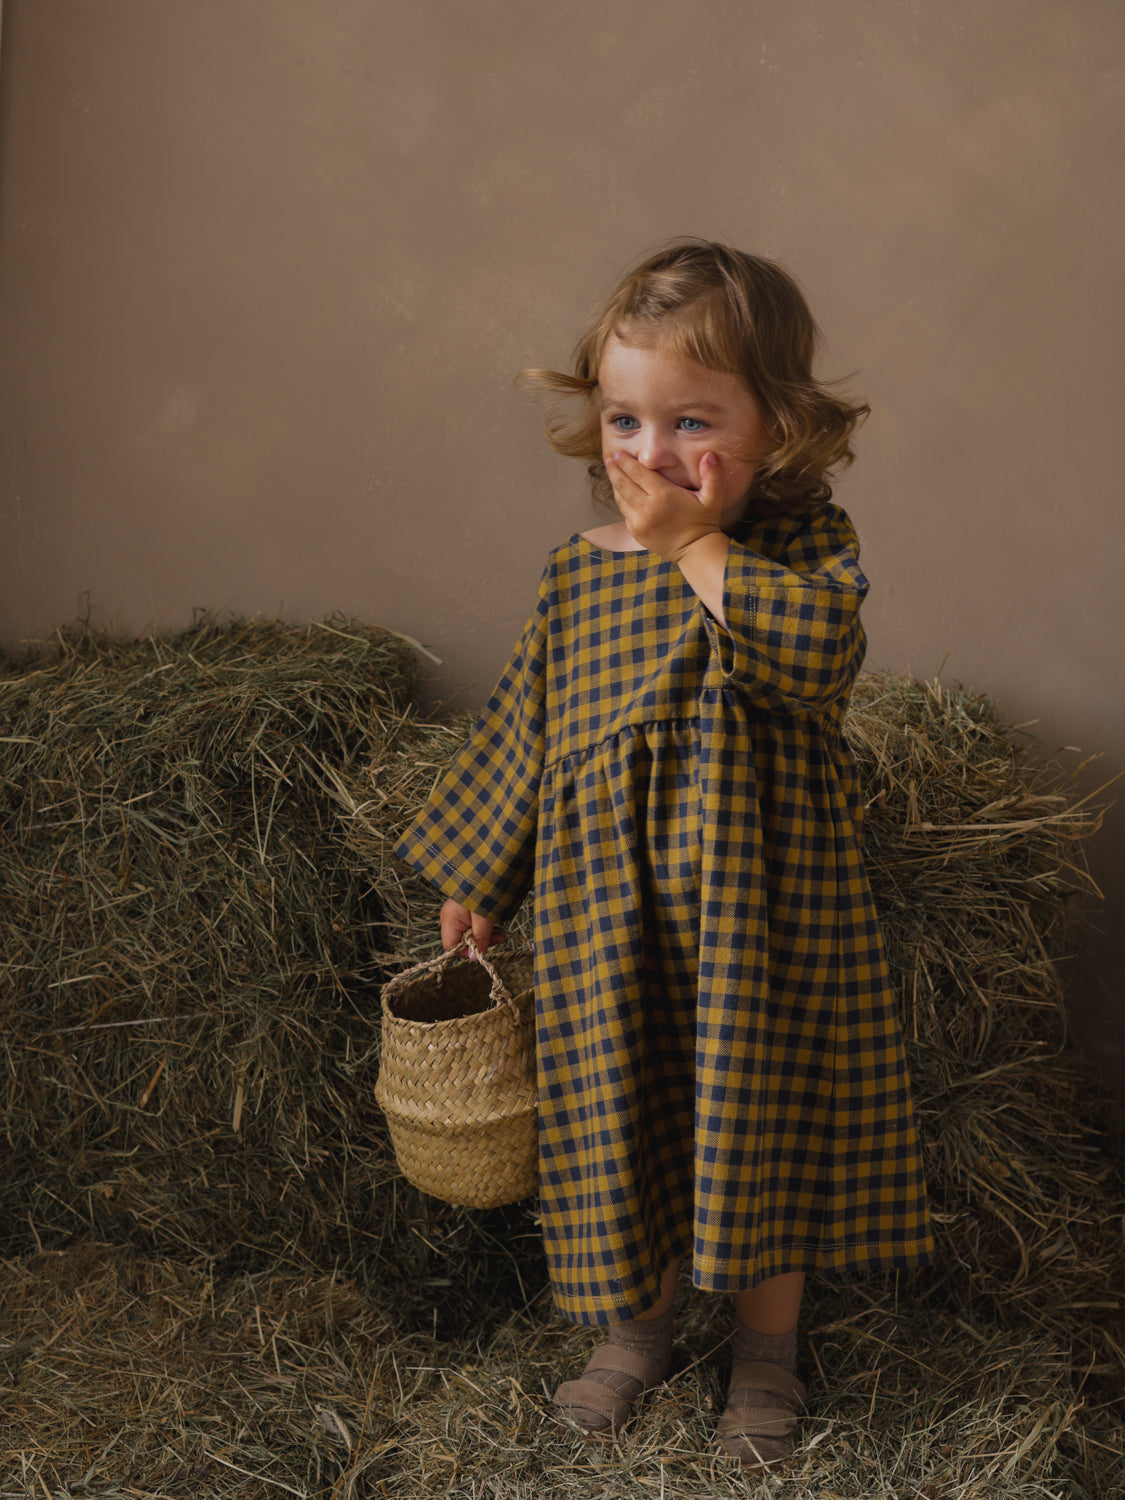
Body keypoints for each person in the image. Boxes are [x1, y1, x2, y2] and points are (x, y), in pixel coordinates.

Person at [394, 239, 934, 1468]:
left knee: (760, 1123)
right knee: (622, 1118)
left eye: (691, 420)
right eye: (626, 420)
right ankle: (637, 1331)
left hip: (763, 922)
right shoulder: (578, 582)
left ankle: (766, 1351)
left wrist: (698, 547)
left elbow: (820, 658)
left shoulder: (795, 556)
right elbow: (529, 735)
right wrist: (484, 876)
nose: (647, 454)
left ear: (779, 426)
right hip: (609, 922)